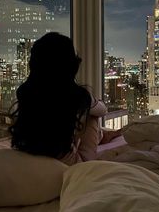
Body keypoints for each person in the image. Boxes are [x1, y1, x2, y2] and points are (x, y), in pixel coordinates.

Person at [9, 32, 120, 165]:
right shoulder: (76, 95)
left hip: (29, 151)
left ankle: (101, 135)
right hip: (66, 162)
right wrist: (92, 101)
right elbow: (102, 110)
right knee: (91, 116)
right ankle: (98, 142)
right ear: (71, 66)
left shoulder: (27, 93)